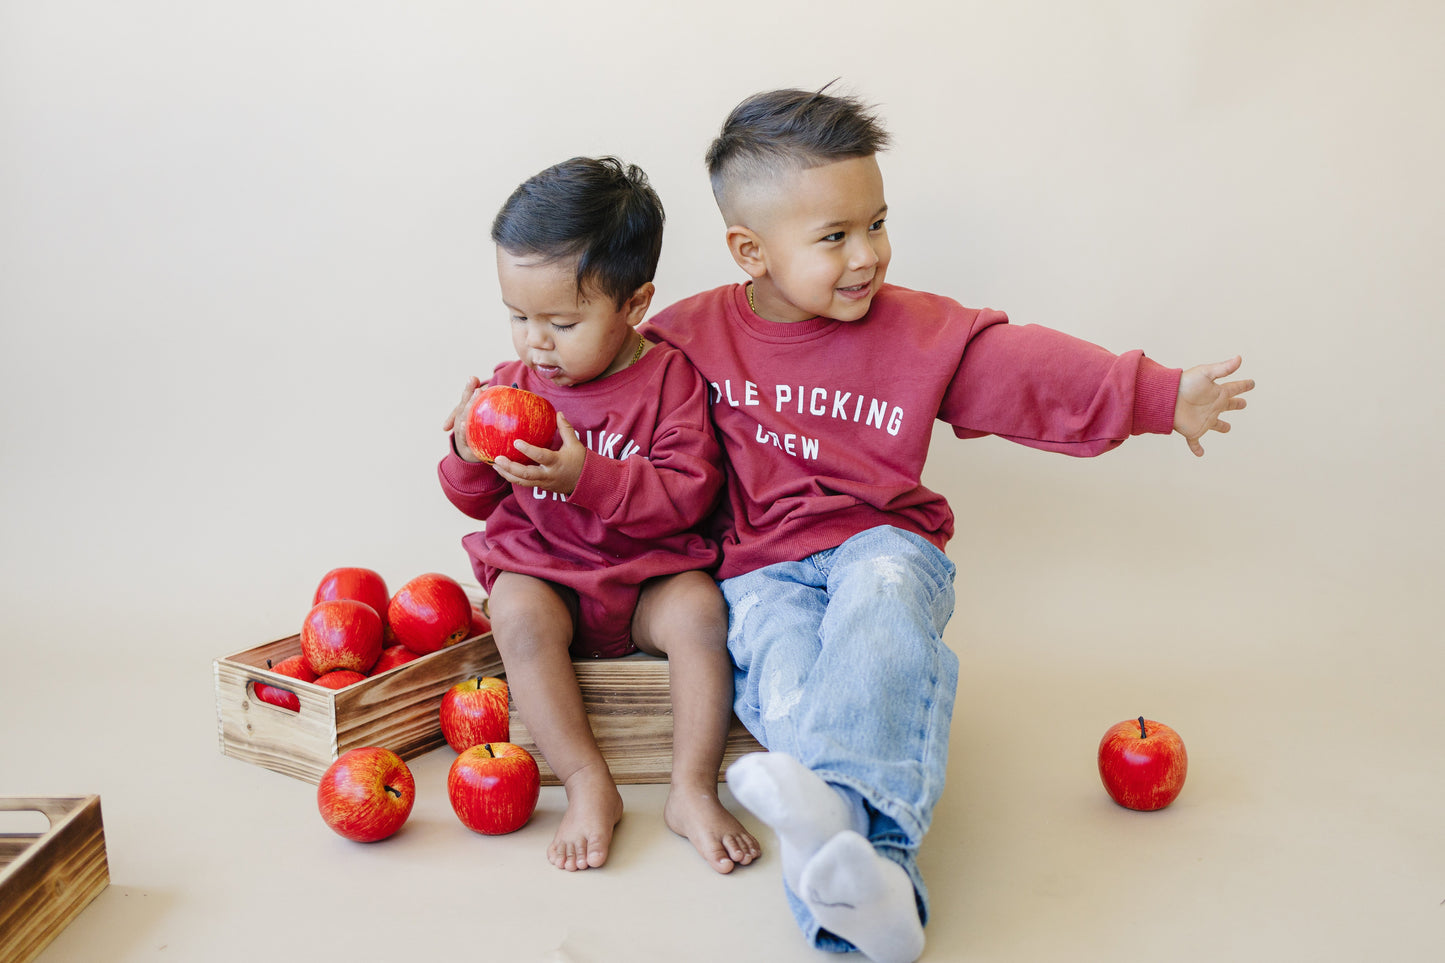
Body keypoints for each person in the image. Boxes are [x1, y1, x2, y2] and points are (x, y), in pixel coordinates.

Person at [643, 86, 1254, 962]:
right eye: (833, 237)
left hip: (878, 543)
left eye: (876, 223)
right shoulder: (684, 339)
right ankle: (876, 897)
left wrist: (1157, 394)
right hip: (758, 571)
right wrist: (506, 412)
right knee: (778, 667)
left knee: (884, 598)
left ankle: (828, 803)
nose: (867, 256)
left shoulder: (915, 331)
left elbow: (1028, 370)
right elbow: (606, 399)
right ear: (750, 251)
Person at [438, 156, 761, 876]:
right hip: (550, 574)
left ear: (634, 304)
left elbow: (687, 494)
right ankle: (588, 780)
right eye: (517, 317)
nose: (535, 343)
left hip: (644, 578)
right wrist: (465, 451)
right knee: (515, 612)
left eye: (561, 320)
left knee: (700, 612)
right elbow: (479, 500)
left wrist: (586, 473)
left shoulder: (668, 379)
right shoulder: (511, 386)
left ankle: (689, 786)